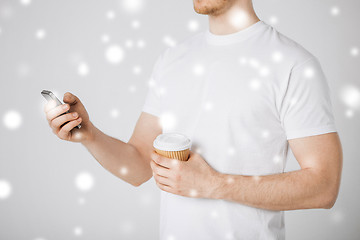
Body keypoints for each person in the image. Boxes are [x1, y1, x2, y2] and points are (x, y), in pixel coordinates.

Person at [43, 0, 343, 239]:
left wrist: (215, 185)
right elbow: (138, 168)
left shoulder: (293, 64)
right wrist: (89, 135)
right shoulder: (172, 60)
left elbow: (324, 186)